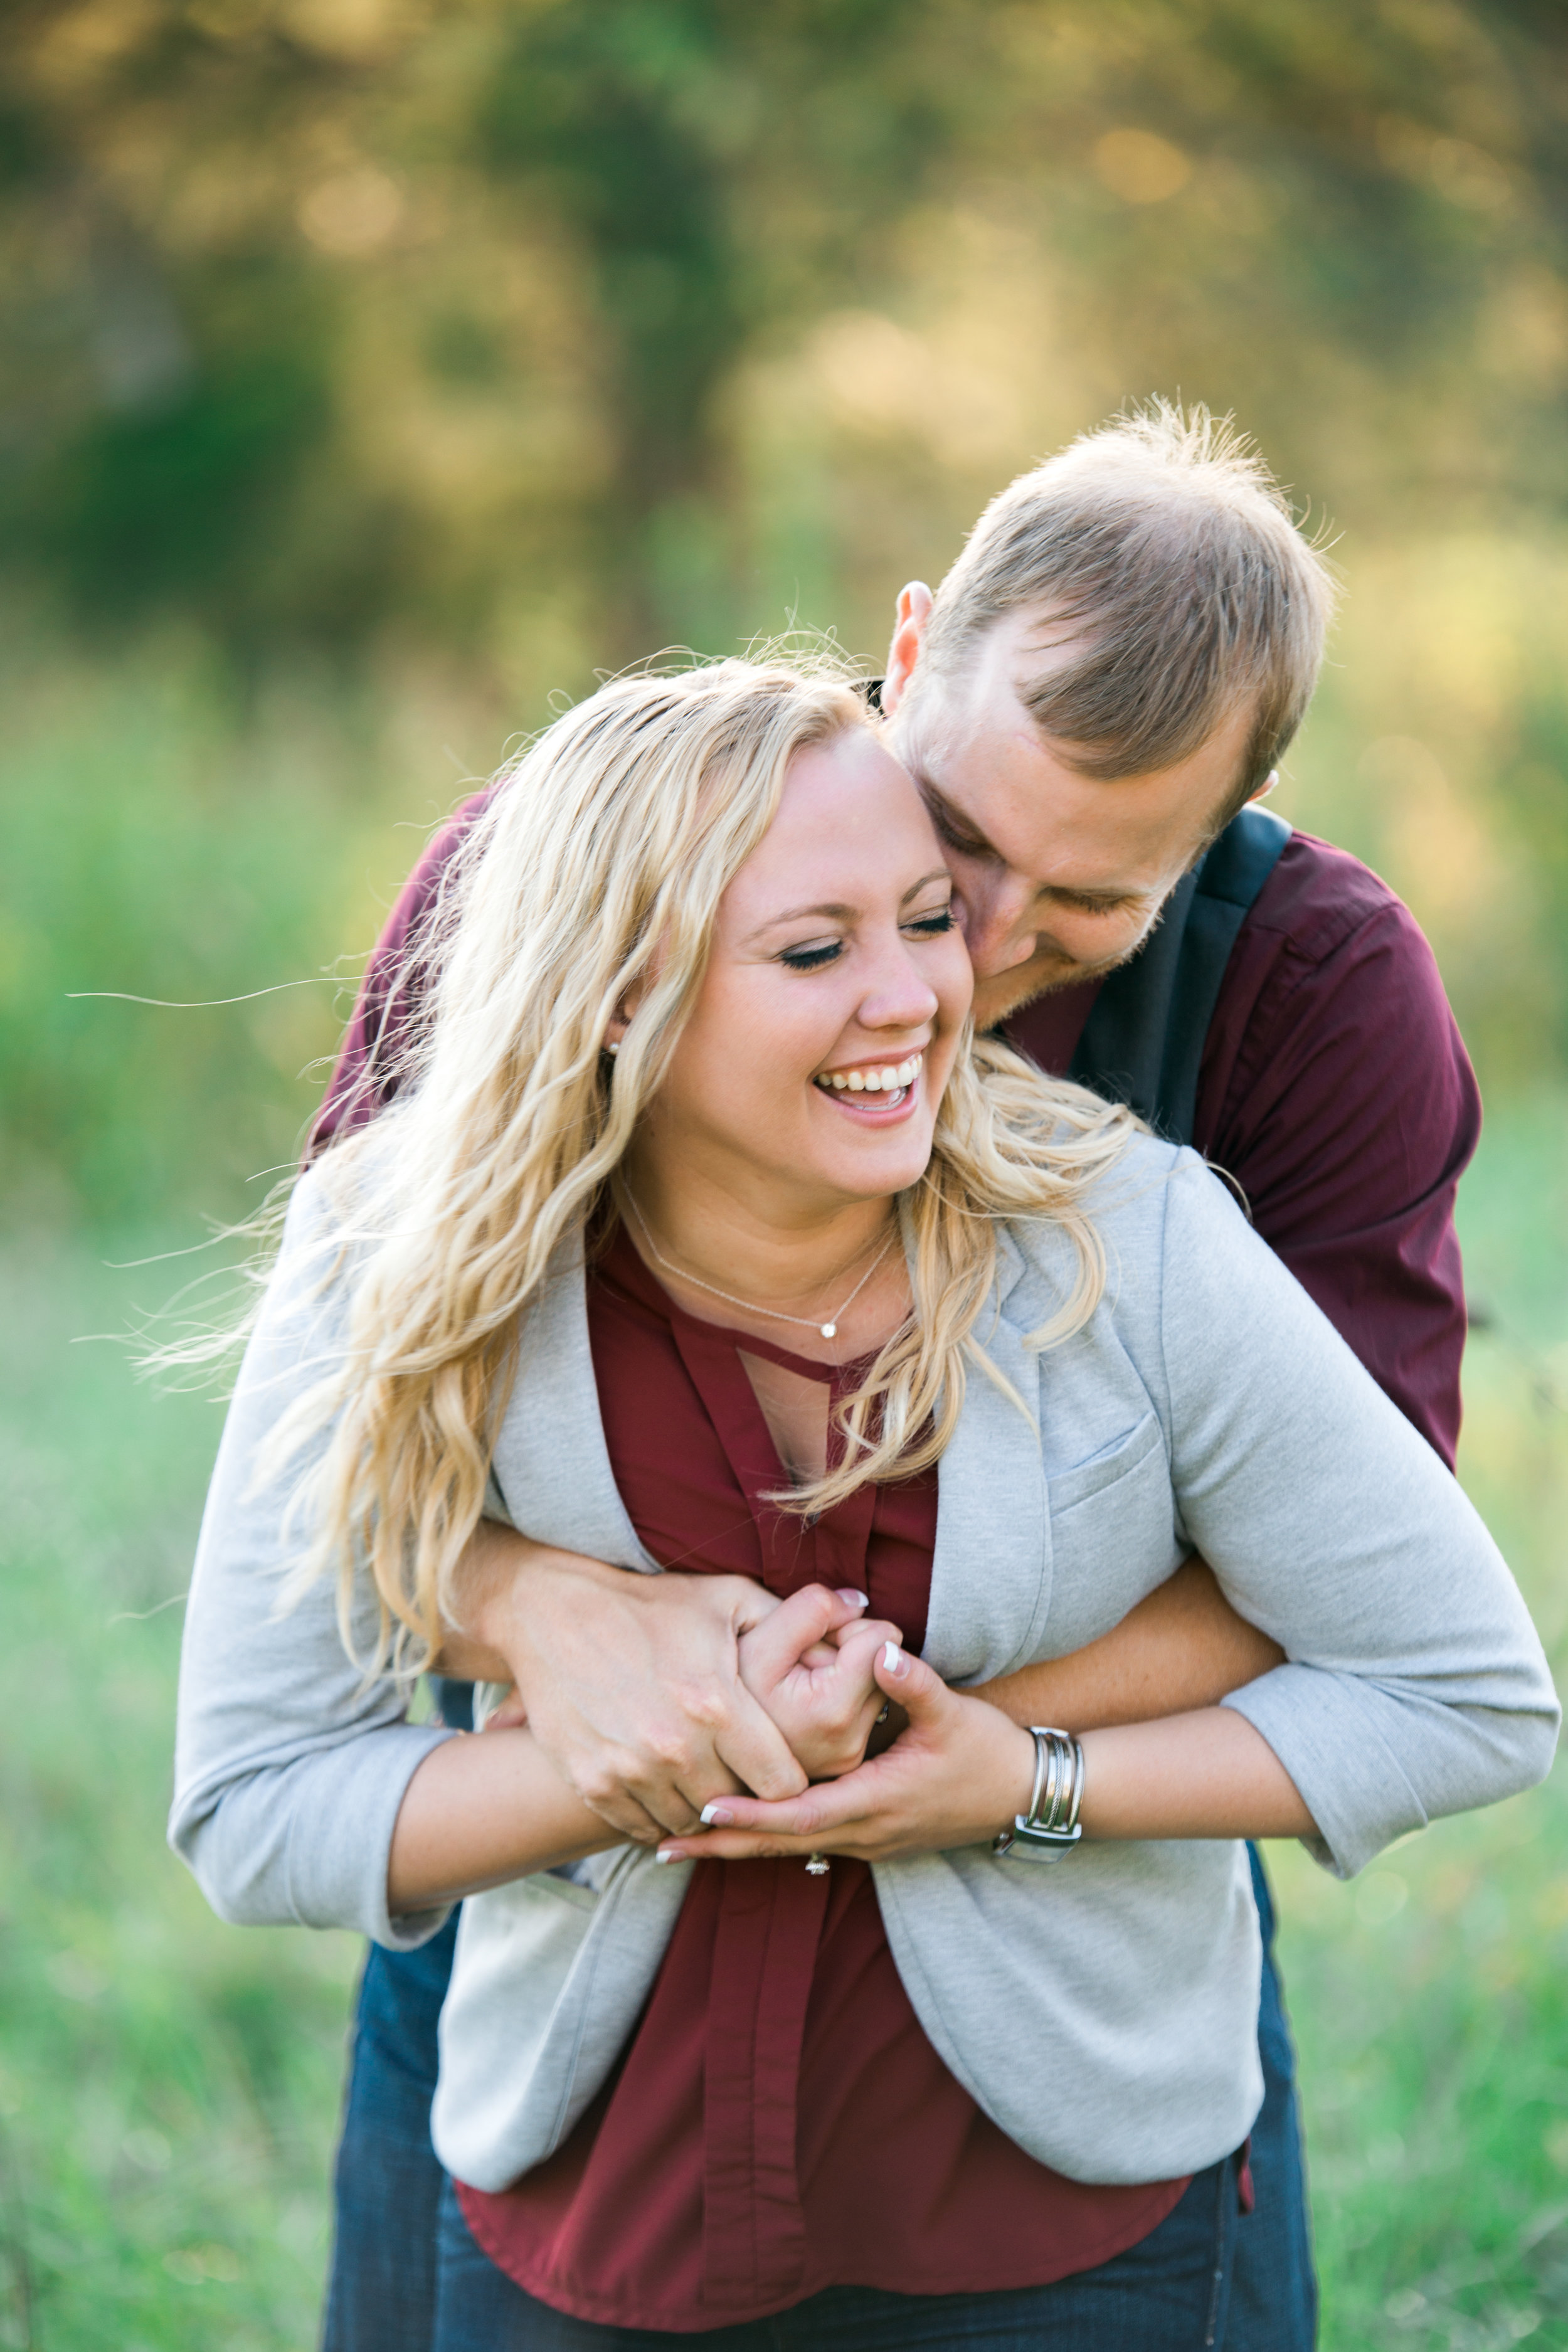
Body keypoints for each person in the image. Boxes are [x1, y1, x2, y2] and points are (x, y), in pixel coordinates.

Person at [171, 656, 1556, 2351]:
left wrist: (1020, 1781)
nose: (917, 993)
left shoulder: (1138, 1240)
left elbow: (1461, 1694)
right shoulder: (398, 1246)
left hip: (1066, 2234)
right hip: (587, 2220)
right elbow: (254, 1800)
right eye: (814, 952)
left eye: (924, 919)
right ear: (618, 990)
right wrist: (639, 1741)